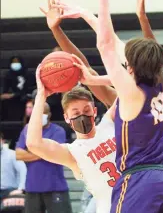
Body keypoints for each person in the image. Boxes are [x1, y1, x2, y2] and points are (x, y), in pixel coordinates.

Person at [73, 0, 163, 213]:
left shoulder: (132, 92)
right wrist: (86, 16)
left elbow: (107, 44)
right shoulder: (157, 85)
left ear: (130, 65)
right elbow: (118, 47)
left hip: (140, 180)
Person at [26, 80, 119, 213]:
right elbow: (33, 144)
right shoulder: (72, 152)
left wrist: (91, 78)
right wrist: (41, 96)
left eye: (86, 110)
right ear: (66, 118)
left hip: (141, 198)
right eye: (75, 113)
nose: (82, 116)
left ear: (95, 111)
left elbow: (128, 95)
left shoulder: (109, 122)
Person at [15, 103, 72, 213]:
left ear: (49, 114)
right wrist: (42, 151)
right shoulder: (27, 130)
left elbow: (53, 153)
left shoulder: (58, 130)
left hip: (55, 186)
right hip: (32, 187)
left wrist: (31, 150)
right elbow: (18, 154)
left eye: (43, 113)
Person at [0, 56, 36, 121]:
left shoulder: (29, 74)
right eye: (13, 62)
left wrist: (15, 94)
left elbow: (31, 89)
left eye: (17, 62)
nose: (15, 64)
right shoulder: (8, 75)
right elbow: (5, 90)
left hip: (26, 96)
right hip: (14, 96)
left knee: (26, 101)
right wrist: (4, 95)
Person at [0, 131, 26, 201]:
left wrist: (20, 189)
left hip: (9, 191)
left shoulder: (12, 154)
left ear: (2, 141)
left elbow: (23, 171)